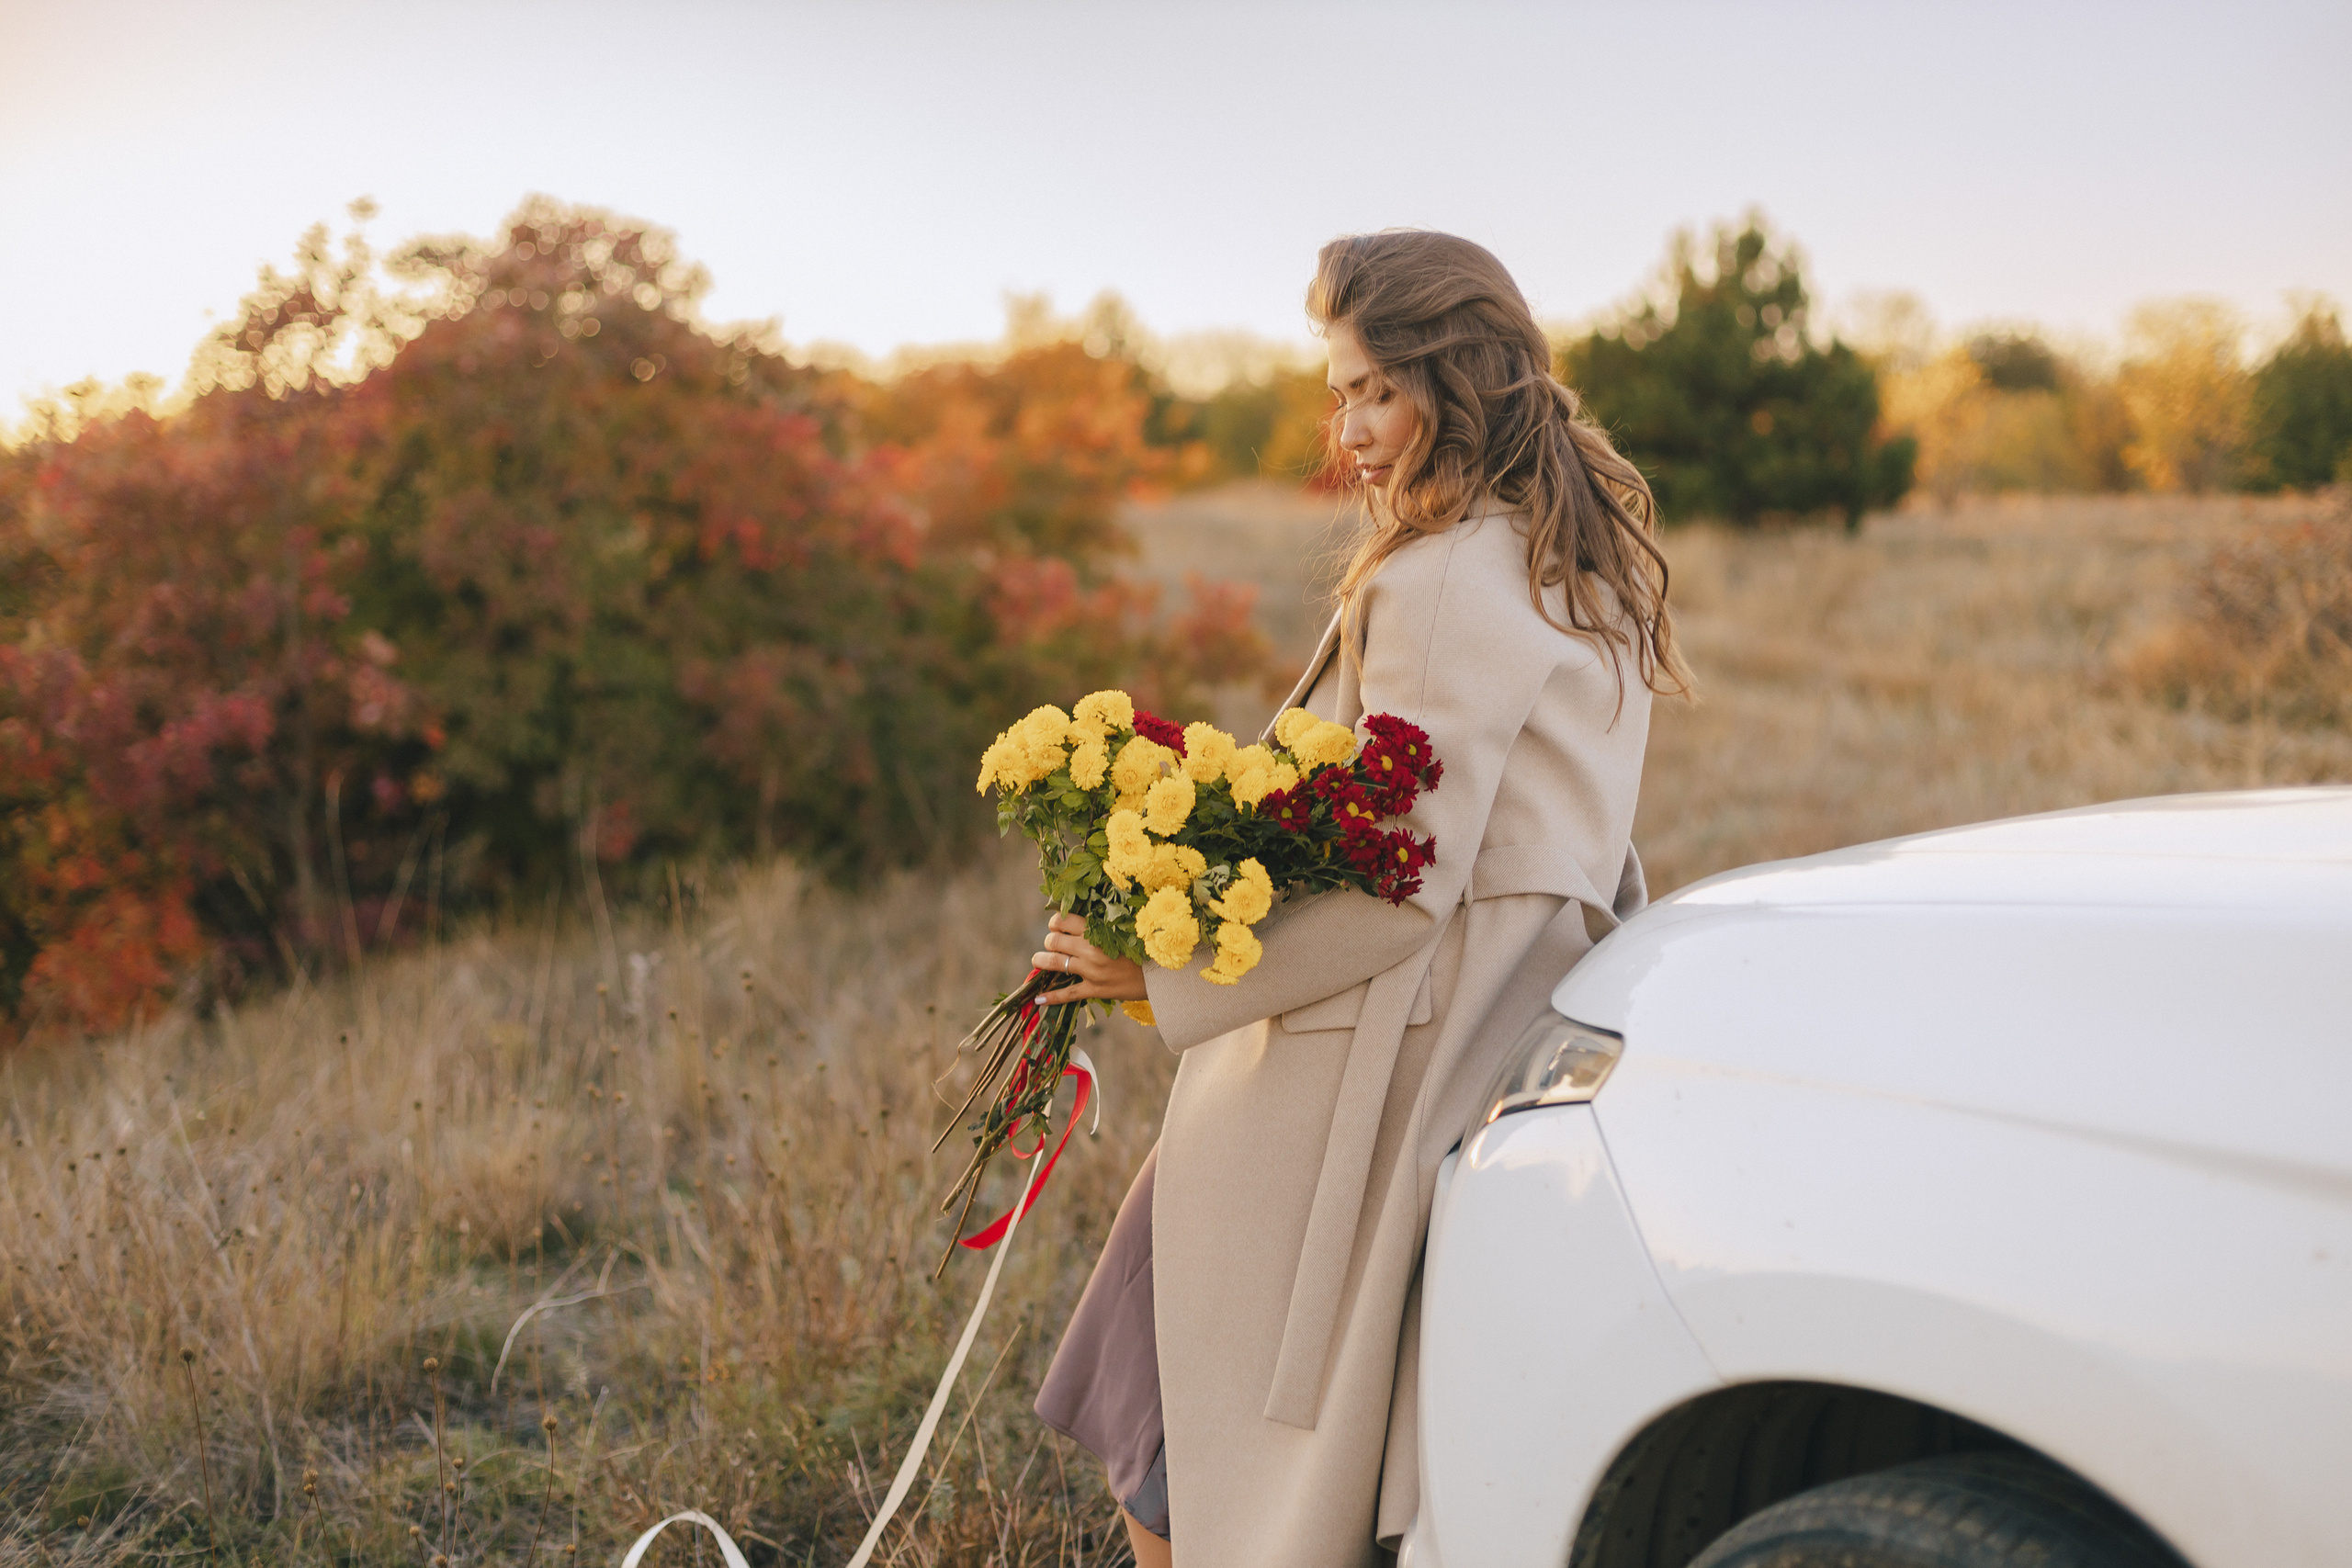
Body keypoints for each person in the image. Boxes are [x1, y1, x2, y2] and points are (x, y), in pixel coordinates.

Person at [1028, 230, 1687, 1568]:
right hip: (1498, 1021)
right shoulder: (1575, 558)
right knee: (1165, 1399)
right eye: (1340, 395)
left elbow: (1403, 886)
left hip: (1390, 1048)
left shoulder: (1441, 575)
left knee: (1169, 1443)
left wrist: (1159, 970)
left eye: (1379, 391)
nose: (1352, 432)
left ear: (1464, 376)